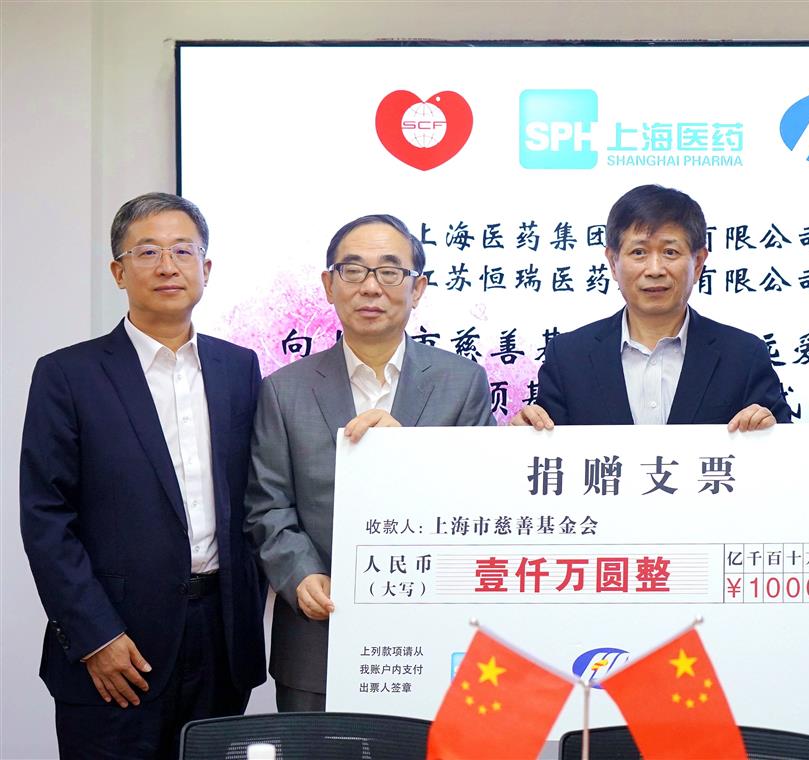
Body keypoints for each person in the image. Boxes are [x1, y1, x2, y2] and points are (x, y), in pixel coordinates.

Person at [19, 193, 266, 758]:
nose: (167, 265)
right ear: (118, 272)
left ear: (206, 268)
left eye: (183, 251)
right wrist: (95, 635)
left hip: (221, 639)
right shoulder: (67, 375)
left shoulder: (239, 367)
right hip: (116, 646)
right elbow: (45, 517)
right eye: (148, 251)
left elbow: (260, 492)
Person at [245, 214, 494, 712]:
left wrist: (409, 458)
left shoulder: (462, 382)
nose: (371, 287)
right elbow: (267, 505)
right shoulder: (283, 390)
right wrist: (300, 575)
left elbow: (479, 501)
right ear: (329, 285)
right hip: (318, 639)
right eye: (353, 270)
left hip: (432, 638)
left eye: (390, 271)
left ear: (418, 288)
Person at [509, 184, 790, 431]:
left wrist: (767, 431)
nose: (655, 269)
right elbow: (546, 458)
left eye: (670, 252)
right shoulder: (569, 357)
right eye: (639, 252)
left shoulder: (743, 356)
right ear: (613, 263)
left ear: (698, 263)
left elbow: (784, 455)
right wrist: (524, 437)